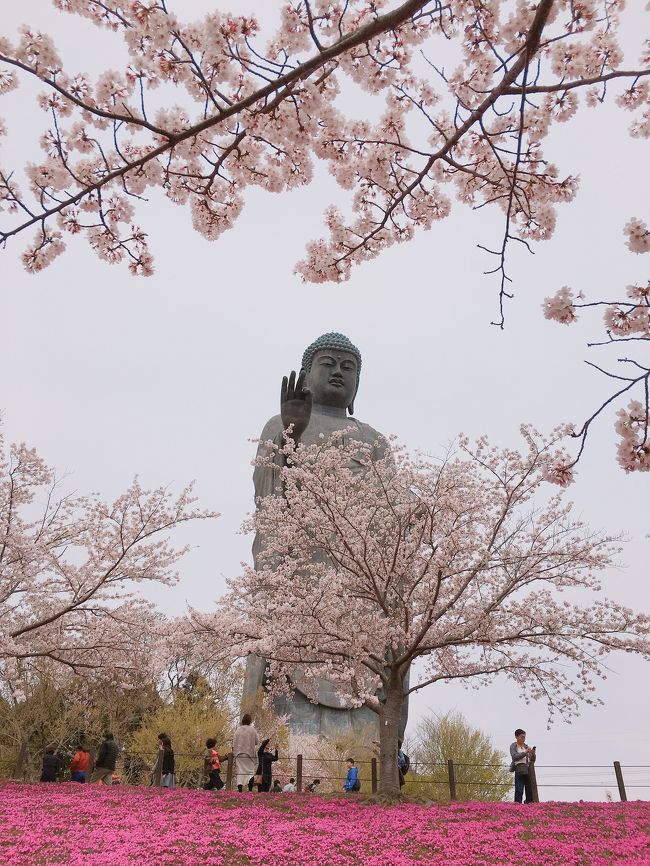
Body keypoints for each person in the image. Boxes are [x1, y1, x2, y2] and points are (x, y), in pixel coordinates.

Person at [243, 333, 409, 740]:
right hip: (300, 582)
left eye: (348, 367)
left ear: (358, 385)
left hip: (359, 589)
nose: (338, 372)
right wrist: (291, 438)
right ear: (305, 374)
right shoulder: (281, 423)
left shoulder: (373, 440)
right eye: (328, 363)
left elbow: (393, 513)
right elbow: (270, 500)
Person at [232, 714, 259, 792]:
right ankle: (250, 790)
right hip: (249, 754)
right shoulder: (252, 730)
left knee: (240, 772)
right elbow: (256, 742)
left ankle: (240, 790)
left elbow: (234, 742)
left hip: (239, 753)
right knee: (250, 772)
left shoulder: (238, 730)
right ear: (250, 721)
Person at [509, 728, 536, 804]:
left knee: (529, 788)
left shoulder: (526, 746)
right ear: (516, 737)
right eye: (521, 737)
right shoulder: (513, 746)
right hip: (519, 769)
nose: (523, 739)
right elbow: (514, 757)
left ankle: (528, 804)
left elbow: (532, 760)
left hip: (527, 769)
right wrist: (525, 752)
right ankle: (518, 804)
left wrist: (533, 754)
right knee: (519, 788)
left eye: (524, 737)